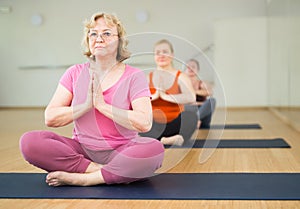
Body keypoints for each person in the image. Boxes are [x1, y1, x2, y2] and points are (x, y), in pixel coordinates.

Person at [19, 12, 164, 186]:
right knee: (30, 142)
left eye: (107, 33)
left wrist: (101, 106)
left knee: (154, 150)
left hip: (122, 151)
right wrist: (85, 105)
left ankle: (84, 179)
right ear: (88, 40)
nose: (99, 38)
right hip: (82, 151)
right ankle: (101, 170)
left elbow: (145, 123)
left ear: (119, 41)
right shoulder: (74, 73)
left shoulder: (134, 75)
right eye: (93, 33)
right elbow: (50, 117)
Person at [140, 39, 198, 146]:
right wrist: (155, 96)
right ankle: (163, 140)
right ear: (154, 56)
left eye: (165, 52)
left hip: (175, 124)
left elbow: (191, 97)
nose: (161, 55)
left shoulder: (181, 76)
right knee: (139, 117)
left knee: (191, 116)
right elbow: (138, 101)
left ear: (172, 54)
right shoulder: (148, 77)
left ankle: (174, 138)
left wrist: (165, 96)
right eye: (158, 53)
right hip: (154, 126)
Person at [184, 59, 216, 128]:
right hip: (188, 112)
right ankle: (193, 120)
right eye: (188, 67)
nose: (190, 69)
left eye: (193, 67)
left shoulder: (202, 83)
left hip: (202, 116)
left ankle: (196, 119)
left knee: (212, 101)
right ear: (185, 70)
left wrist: (193, 92)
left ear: (197, 70)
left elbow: (210, 92)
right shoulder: (181, 84)